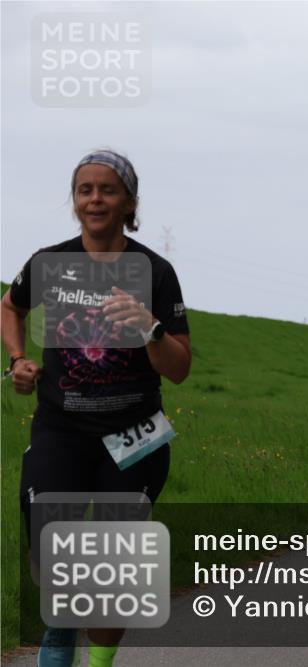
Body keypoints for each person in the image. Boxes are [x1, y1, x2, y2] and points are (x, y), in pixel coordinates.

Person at [1, 150, 191, 667]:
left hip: (135, 434)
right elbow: (10, 306)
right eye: (84, 190)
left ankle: (98, 662)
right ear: (74, 200)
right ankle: (61, 624)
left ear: (130, 202)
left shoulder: (154, 271)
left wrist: (150, 328)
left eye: (107, 189)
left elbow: (179, 368)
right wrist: (17, 360)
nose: (95, 199)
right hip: (61, 429)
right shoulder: (49, 263)